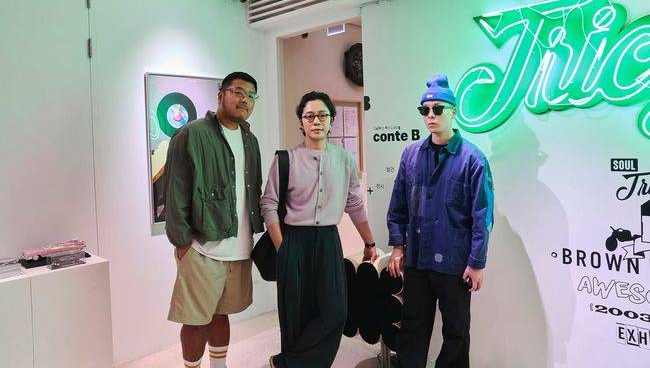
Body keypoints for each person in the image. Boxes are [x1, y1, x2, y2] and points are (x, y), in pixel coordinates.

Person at [261, 91, 378, 368]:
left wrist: (369, 242)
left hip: (328, 240)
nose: (316, 121)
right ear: (301, 122)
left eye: (322, 115)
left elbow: (354, 203)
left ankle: (286, 363)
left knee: (335, 311)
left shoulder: (345, 159)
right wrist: (282, 247)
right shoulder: (286, 159)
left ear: (331, 120)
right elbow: (268, 204)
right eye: (309, 116)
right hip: (293, 240)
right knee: (296, 313)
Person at [386, 74, 494, 368]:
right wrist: (398, 245)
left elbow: (482, 215)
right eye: (425, 110)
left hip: (455, 263)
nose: (430, 116)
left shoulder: (472, 159)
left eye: (437, 109)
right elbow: (398, 205)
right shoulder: (411, 155)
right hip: (418, 260)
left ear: (453, 112)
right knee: (412, 327)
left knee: (456, 331)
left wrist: (476, 262)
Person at [164, 71, 264, 368]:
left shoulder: (250, 139)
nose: (245, 99)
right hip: (202, 247)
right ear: (221, 95)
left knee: (222, 314)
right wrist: (182, 243)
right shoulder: (192, 134)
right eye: (238, 92)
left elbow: (253, 189)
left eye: (251, 95)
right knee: (196, 320)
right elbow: (176, 190)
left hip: (239, 248)